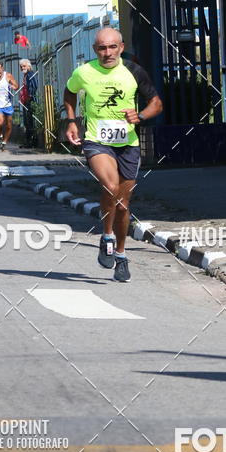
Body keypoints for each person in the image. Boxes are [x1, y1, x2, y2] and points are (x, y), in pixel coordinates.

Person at [64, 27, 163, 283]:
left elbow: (156, 103)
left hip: (127, 144)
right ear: (95, 50)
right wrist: (72, 121)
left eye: (112, 47)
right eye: (101, 48)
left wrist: (139, 116)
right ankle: (106, 235)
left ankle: (120, 253)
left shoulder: (134, 71)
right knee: (110, 186)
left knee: (123, 204)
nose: (107, 53)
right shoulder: (84, 72)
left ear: (121, 47)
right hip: (97, 141)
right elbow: (69, 91)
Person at [19, 58, 38, 147]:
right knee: (27, 122)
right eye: (21, 66)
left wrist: (30, 97)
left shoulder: (30, 74)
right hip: (25, 101)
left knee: (30, 121)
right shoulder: (26, 75)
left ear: (29, 66)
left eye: (24, 66)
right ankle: (28, 141)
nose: (22, 68)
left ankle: (31, 142)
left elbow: (34, 86)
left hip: (29, 101)